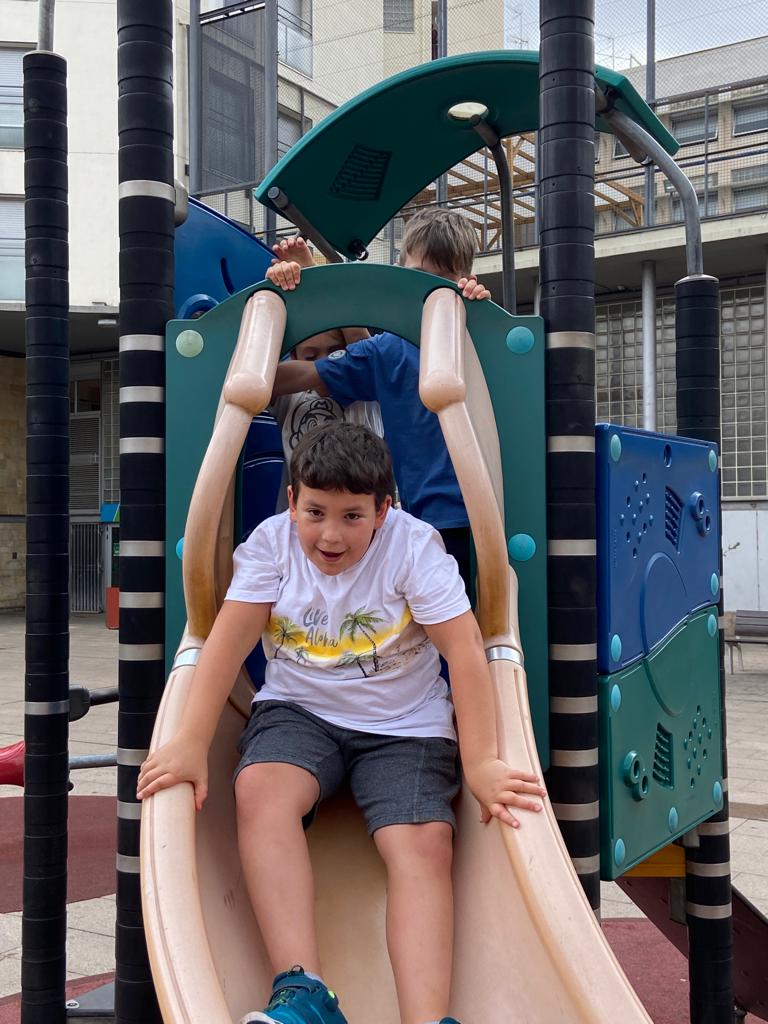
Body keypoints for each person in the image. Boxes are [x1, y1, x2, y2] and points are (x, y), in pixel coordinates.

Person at [137, 422, 546, 1024]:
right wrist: (192, 741)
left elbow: (464, 652)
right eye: (315, 512)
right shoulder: (272, 545)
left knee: (422, 842)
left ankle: (427, 1017)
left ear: (384, 510)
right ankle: (304, 991)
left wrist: (482, 760)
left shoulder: (413, 549)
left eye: (352, 516)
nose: (330, 535)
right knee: (259, 789)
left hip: (405, 725)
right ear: (292, 502)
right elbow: (227, 641)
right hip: (300, 711)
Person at [267, 210, 491, 588]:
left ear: (464, 278)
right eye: (418, 276)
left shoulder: (476, 331)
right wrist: (247, 373)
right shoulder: (390, 349)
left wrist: (479, 305)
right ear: (399, 271)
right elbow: (310, 372)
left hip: (491, 507)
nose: (428, 291)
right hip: (427, 517)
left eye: (444, 280)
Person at [267, 320, 383, 512]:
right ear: (294, 357)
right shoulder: (288, 393)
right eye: (310, 357)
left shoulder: (363, 388)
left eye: (336, 353)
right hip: (302, 512)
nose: (324, 362)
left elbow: (363, 346)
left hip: (360, 509)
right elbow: (259, 374)